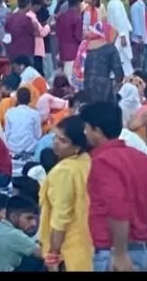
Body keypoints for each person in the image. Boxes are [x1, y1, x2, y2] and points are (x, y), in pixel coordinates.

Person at [80, 100, 147, 271]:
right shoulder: (143, 159)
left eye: (87, 128)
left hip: (114, 255)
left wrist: (120, 253)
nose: (84, 132)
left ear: (97, 131)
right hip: (142, 251)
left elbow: (118, 209)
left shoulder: (103, 161)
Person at [38, 115, 93, 272]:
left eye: (63, 141)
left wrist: (53, 254)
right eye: (56, 137)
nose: (56, 142)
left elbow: (60, 216)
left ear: (77, 147)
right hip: (86, 245)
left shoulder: (64, 170)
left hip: (67, 251)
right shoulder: (87, 162)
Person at [0, 194, 43, 271]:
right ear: (13, 217)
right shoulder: (13, 235)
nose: (34, 223)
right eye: (29, 218)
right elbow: (44, 254)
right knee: (40, 260)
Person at [4, 87, 42, 175]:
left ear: (17, 98)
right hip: (29, 150)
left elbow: (7, 134)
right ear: (30, 99)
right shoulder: (35, 114)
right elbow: (38, 135)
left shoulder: (9, 112)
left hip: (12, 150)